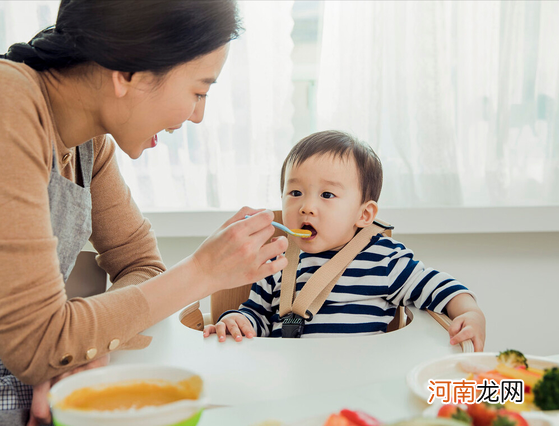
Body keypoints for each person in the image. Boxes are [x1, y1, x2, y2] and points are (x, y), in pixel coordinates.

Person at [0, 1, 289, 425]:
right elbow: (40, 344)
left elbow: (143, 266)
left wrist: (83, 345)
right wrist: (203, 271)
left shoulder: (86, 146)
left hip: (10, 383)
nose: (198, 116)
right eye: (198, 91)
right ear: (128, 73)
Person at [204, 130, 486, 351]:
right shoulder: (275, 260)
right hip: (286, 384)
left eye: (327, 195)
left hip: (358, 384)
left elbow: (440, 287)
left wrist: (470, 313)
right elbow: (257, 316)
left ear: (364, 214)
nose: (307, 207)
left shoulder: (383, 259)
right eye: (295, 193)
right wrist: (238, 322)